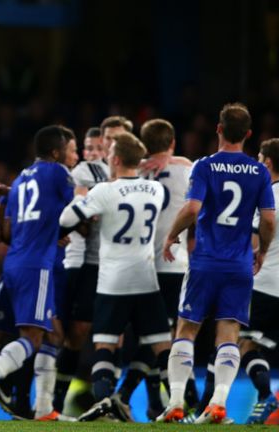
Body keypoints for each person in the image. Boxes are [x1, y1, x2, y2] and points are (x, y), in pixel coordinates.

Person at [158, 103, 276, 424]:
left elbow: (192, 209)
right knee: (229, 332)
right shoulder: (260, 171)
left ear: (219, 129)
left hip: (206, 261)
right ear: (248, 134)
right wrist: (262, 250)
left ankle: (178, 402)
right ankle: (218, 405)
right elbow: (268, 219)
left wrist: (171, 235)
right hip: (239, 265)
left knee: (186, 328)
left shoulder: (205, 165)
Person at [0, 125, 77, 421]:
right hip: (36, 265)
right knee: (32, 338)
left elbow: (7, 231)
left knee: (54, 335)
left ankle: (43, 409)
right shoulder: (58, 173)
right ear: (56, 152)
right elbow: (79, 208)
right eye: (72, 150)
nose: (74, 156)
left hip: (14, 263)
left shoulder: (21, 179)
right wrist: (64, 228)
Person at [59, 132, 171, 422]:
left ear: (117, 159)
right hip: (147, 280)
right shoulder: (156, 190)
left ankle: (105, 405)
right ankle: (183, 403)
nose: (106, 160)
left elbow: (66, 220)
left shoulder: (103, 192)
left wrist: (82, 201)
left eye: (109, 156)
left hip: (113, 282)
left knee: (105, 346)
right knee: (161, 346)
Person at [113, 119, 195, 420]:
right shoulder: (187, 168)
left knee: (151, 335)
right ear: (172, 142)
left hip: (138, 265)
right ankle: (181, 396)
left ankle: (148, 401)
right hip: (173, 264)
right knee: (164, 335)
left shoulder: (136, 171)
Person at [52, 117, 130, 413]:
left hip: (125, 267)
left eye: (114, 139)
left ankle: (109, 403)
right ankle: (56, 400)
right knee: (77, 333)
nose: (107, 145)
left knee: (116, 336)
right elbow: (79, 213)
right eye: (104, 139)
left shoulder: (140, 172)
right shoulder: (87, 171)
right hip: (92, 263)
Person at [240, 138, 279, 424]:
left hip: (263, 284)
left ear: (266, 163)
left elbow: (254, 240)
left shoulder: (268, 197)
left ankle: (266, 397)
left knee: (243, 345)